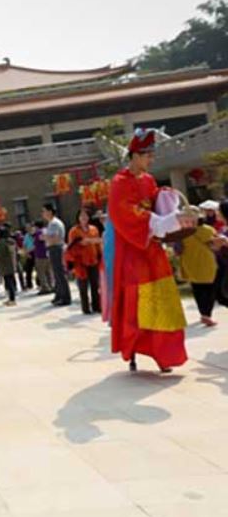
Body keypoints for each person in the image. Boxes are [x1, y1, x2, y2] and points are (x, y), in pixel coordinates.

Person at [106, 129, 192, 372]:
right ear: (134, 155)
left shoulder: (148, 180)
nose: (150, 160)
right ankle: (134, 348)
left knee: (164, 300)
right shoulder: (119, 183)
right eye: (147, 156)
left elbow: (155, 203)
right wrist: (156, 222)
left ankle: (165, 355)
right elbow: (123, 213)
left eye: (151, 155)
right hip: (133, 251)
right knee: (138, 304)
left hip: (152, 250)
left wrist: (165, 197)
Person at [180, 209, 226, 326]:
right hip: (207, 264)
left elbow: (178, 248)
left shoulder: (182, 232)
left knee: (197, 289)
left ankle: (203, 314)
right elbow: (216, 246)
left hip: (190, 263)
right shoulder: (207, 230)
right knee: (210, 289)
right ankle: (207, 314)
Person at [68, 208, 103, 315]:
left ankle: (96, 306)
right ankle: (85, 308)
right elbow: (71, 246)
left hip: (93, 259)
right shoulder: (74, 231)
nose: (84, 218)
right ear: (78, 218)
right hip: (80, 262)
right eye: (81, 216)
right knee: (83, 286)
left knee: (95, 285)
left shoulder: (94, 229)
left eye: (86, 216)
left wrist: (100, 255)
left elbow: (98, 244)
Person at [43, 204, 72, 306]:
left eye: (44, 211)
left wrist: (45, 237)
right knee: (56, 273)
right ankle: (59, 295)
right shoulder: (51, 223)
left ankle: (65, 297)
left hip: (56, 248)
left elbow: (55, 238)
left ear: (50, 212)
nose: (43, 214)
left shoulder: (54, 223)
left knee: (59, 273)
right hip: (54, 249)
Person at [0, 227, 19, 306]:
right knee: (11, 280)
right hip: (11, 263)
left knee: (9, 282)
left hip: (5, 264)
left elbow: (0, 254)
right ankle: (12, 298)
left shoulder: (1, 243)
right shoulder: (11, 241)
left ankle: (12, 300)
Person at [22, 224, 37, 291]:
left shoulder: (36, 235)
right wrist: (26, 253)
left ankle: (39, 283)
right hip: (29, 253)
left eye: (29, 228)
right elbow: (24, 245)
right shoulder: (26, 236)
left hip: (36, 253)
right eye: (26, 228)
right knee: (28, 270)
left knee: (38, 269)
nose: (27, 229)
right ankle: (29, 285)